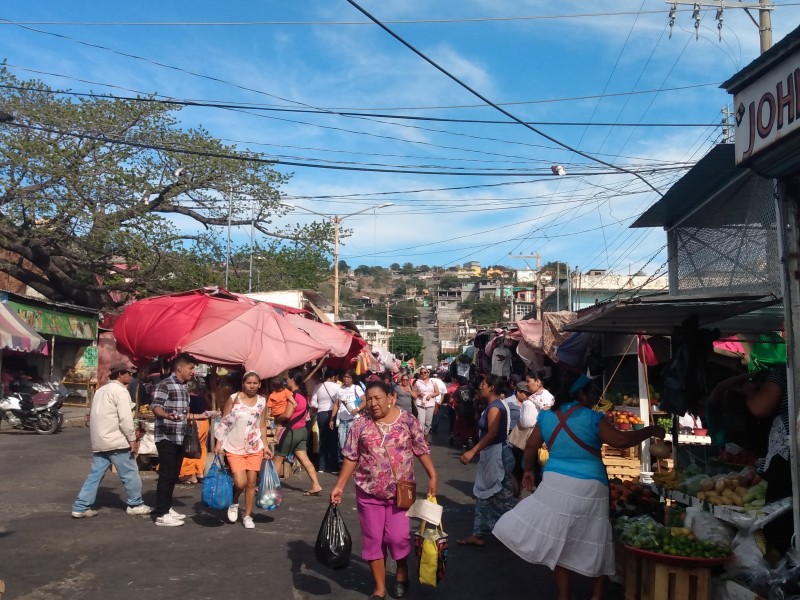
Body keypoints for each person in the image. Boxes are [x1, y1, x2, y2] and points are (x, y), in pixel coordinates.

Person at [493, 372, 666, 600]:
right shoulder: (592, 418)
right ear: (580, 394)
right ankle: (596, 595)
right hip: (590, 486)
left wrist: (527, 471)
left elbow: (531, 446)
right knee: (597, 537)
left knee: (559, 539)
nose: (595, 396)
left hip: (555, 483)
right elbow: (621, 441)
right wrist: (650, 431)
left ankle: (564, 595)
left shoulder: (547, 417)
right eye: (592, 392)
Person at [331, 381, 438, 600]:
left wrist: (433, 476)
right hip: (368, 492)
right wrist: (339, 486)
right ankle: (379, 588)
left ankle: (401, 570)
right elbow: (351, 457)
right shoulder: (360, 424)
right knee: (373, 540)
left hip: (401, 492)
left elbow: (421, 449)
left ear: (391, 398)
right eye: (368, 399)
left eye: (377, 398)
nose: (372, 403)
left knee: (397, 538)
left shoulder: (408, 421)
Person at [71, 362, 152, 518]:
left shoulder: (101, 391)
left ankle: (80, 506)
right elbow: (125, 419)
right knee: (130, 473)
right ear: (120, 374)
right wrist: (132, 439)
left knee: (95, 475)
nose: (131, 376)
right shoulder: (120, 392)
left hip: (100, 439)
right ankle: (135, 504)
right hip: (116, 440)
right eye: (129, 373)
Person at [457, 374, 516, 546]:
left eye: (483, 383)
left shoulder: (495, 408)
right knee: (484, 494)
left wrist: (472, 452)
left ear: (491, 387)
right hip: (494, 454)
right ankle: (478, 533)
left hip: (496, 455)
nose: (480, 386)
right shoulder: (495, 405)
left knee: (504, 499)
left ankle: (522, 531)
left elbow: (492, 433)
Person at [215, 370, 272, 530]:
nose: (252, 386)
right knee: (240, 482)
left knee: (252, 483)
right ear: (243, 383)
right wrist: (219, 442)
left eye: (255, 383)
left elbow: (262, 424)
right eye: (249, 383)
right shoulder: (234, 399)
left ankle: (247, 515)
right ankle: (234, 500)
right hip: (234, 446)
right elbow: (224, 422)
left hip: (254, 446)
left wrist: (266, 445)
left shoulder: (262, 401)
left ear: (259, 384)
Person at [150, 353, 199, 527]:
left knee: (173, 475)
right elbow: (155, 407)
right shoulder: (165, 385)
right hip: (166, 436)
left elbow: (185, 413)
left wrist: (203, 415)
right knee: (166, 475)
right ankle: (161, 514)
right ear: (180, 368)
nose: (193, 372)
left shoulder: (184, 387)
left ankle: (167, 507)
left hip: (180, 436)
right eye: (191, 368)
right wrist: (167, 415)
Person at [273, 372, 323, 496]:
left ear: (292, 380)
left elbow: (287, 415)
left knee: (278, 459)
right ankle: (316, 485)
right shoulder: (303, 395)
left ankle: (271, 487)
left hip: (291, 431)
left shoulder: (294, 395)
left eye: (287, 380)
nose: (286, 382)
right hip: (301, 431)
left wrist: (277, 419)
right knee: (305, 459)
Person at [179, 378, 217, 484]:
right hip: (204, 423)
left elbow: (187, 414)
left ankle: (191, 475)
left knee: (191, 448)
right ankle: (199, 472)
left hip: (194, 424)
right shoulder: (202, 398)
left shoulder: (188, 399)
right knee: (201, 448)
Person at [311, 369, 341, 473]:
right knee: (333, 440)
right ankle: (333, 467)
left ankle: (321, 466)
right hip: (333, 413)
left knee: (322, 440)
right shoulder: (338, 387)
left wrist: (320, 406)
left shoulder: (318, 387)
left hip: (321, 414)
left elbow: (313, 403)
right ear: (333, 377)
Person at [332, 370, 362, 459]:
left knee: (350, 443)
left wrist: (357, 409)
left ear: (352, 379)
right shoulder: (340, 389)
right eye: (345, 377)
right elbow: (336, 405)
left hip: (353, 420)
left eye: (348, 377)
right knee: (341, 444)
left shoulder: (356, 388)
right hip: (342, 420)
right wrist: (331, 419)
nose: (346, 379)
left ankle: (350, 464)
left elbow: (364, 401)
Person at [413, 366, 439, 440]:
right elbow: (414, 393)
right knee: (421, 422)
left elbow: (437, 392)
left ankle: (425, 438)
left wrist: (431, 395)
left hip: (430, 405)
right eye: (422, 373)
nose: (423, 374)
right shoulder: (417, 382)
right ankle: (421, 439)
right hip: (420, 404)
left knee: (428, 423)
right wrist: (419, 394)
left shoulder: (433, 382)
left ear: (428, 373)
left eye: (425, 372)